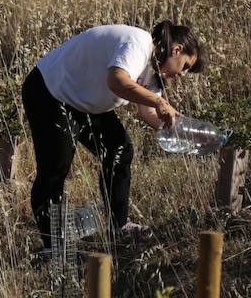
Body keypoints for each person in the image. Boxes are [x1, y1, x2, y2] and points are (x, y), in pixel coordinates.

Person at [21, 20, 206, 256]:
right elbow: (117, 81)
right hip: (50, 91)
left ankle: (119, 227)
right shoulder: (139, 43)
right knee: (55, 168)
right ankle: (53, 247)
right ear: (177, 50)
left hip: (83, 103)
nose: (181, 74)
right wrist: (159, 102)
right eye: (186, 66)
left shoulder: (154, 71)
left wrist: (181, 132)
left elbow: (147, 112)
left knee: (120, 149)